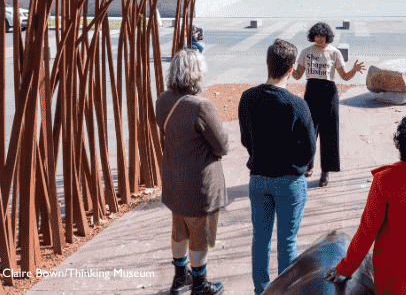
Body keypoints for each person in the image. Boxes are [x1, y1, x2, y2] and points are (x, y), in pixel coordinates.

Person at [323, 114, 406, 294]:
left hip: (395, 272)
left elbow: (367, 231)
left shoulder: (384, 180)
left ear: (401, 146)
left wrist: (346, 267)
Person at [239, 39, 316, 295]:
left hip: (258, 177)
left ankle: (261, 290)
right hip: (289, 180)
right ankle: (285, 291)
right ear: (292, 68)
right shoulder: (297, 105)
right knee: (287, 241)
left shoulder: (248, 98)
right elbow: (309, 149)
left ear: (267, 63)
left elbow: (245, 138)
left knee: (260, 240)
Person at [156, 49, 227, 295]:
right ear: (196, 74)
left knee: (179, 230)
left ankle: (179, 278)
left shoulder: (163, 99)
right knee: (200, 236)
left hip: (174, 177)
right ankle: (199, 284)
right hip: (199, 183)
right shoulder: (201, 106)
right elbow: (222, 145)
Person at [292, 22, 365, 187]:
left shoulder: (334, 53)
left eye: (322, 36)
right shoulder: (306, 52)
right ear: (313, 36)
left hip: (329, 93)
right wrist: (288, 68)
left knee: (329, 132)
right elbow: (298, 75)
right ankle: (308, 165)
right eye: (316, 36)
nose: (319, 39)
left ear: (328, 37)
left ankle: (326, 171)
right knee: (308, 130)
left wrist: (354, 70)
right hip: (311, 91)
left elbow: (344, 76)